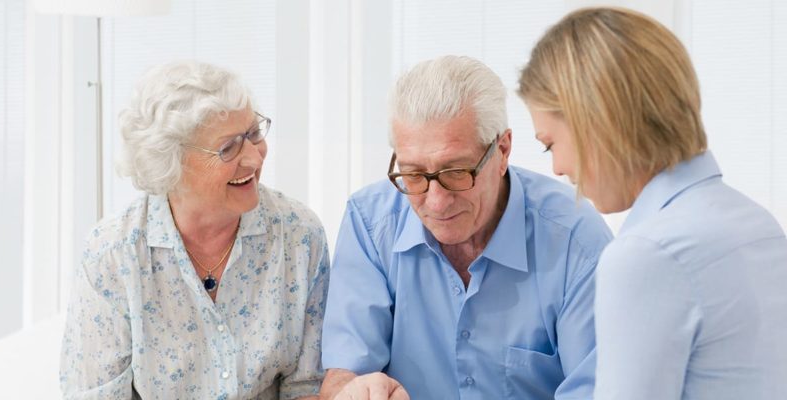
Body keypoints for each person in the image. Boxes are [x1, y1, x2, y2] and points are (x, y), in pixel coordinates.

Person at [518, 7, 787, 399]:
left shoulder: (646, 255)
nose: (558, 169)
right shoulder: (757, 224)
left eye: (550, 144)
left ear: (596, 120)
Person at [320, 55, 613, 400]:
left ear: (502, 151)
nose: (436, 202)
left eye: (456, 172)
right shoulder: (370, 223)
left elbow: (598, 390)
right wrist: (355, 391)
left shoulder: (574, 238)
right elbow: (342, 376)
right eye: (413, 174)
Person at [60, 61, 330, 399]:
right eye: (228, 148)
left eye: (254, 134)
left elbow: (306, 385)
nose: (255, 158)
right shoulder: (113, 254)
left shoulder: (298, 235)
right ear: (170, 165)